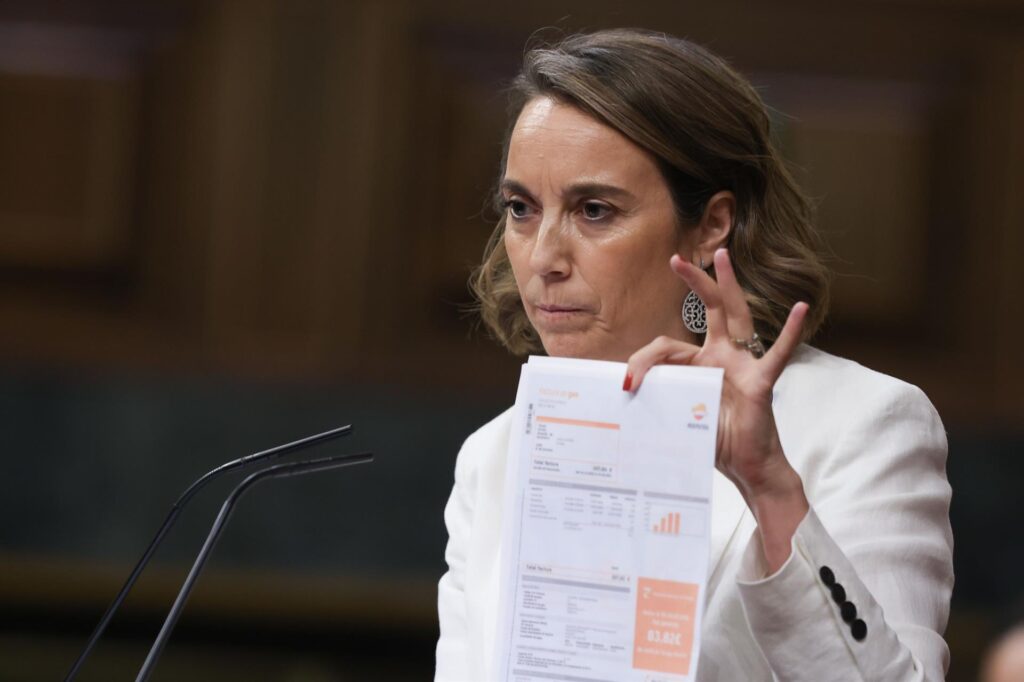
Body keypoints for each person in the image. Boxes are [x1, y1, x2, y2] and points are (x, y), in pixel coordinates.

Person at [436, 28, 953, 681]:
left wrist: (769, 489)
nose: (543, 258)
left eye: (594, 210)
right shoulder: (493, 455)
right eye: (521, 208)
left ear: (711, 225)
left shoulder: (862, 424)